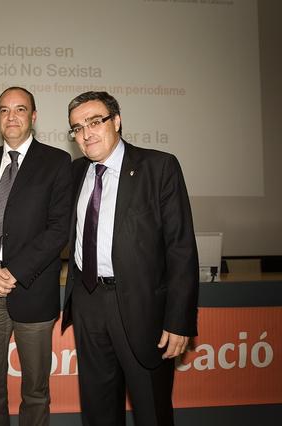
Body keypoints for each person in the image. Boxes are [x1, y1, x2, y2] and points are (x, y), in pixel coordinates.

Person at [61, 91, 199, 426]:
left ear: (117, 121)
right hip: (88, 303)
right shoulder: (76, 172)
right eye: (77, 128)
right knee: (98, 411)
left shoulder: (158, 167)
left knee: (151, 409)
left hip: (142, 307)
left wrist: (179, 320)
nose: (86, 133)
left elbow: (180, 248)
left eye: (95, 122)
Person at [0, 87, 73, 426]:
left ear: (34, 116)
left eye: (20, 109)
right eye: (4, 110)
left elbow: (59, 229)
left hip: (32, 288)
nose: (11, 116)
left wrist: (14, 271)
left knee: (36, 391)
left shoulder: (57, 161)